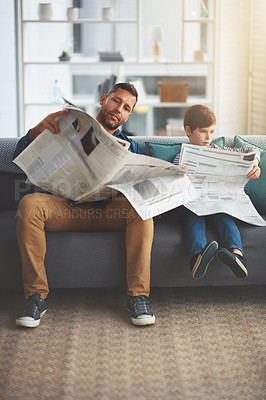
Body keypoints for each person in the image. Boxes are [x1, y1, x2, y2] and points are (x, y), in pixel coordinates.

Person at [14, 82, 155, 328]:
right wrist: (35, 132)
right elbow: (19, 159)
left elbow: (143, 187)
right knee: (29, 204)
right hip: (65, 209)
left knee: (142, 209)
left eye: (125, 107)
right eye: (115, 101)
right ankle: (36, 298)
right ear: (103, 99)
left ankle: (138, 296)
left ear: (129, 115)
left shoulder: (132, 148)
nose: (118, 109)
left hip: (109, 213)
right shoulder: (67, 127)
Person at [173, 104, 261, 280]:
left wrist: (255, 164)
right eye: (204, 131)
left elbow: (252, 150)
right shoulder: (180, 157)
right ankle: (198, 257)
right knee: (193, 218)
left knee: (225, 217)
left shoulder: (218, 150)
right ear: (189, 131)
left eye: (212, 132)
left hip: (218, 202)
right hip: (194, 204)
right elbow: (173, 184)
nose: (208, 137)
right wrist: (178, 173)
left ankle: (236, 255)